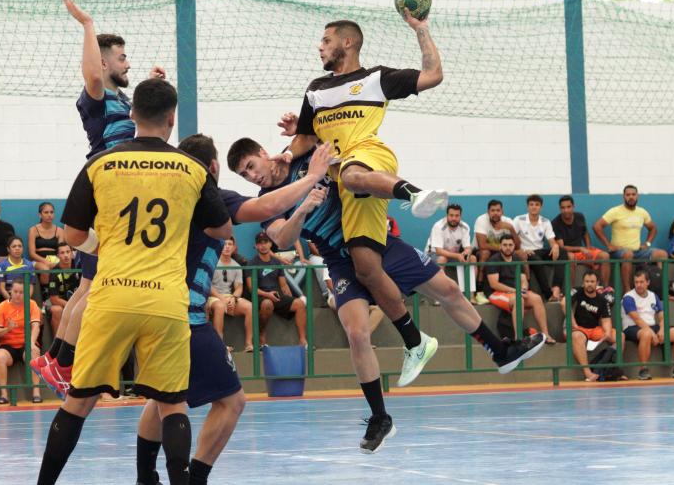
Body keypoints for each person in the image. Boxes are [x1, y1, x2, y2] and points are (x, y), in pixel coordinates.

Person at [228, 137, 545, 454]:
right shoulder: (269, 200)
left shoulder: (305, 157)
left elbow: (332, 136)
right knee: (356, 332)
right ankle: (380, 417)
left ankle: (498, 350)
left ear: (261, 153)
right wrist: (304, 209)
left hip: (375, 239)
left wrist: (302, 132)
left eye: (251, 167)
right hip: (340, 261)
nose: (252, 176)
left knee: (449, 290)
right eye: (244, 175)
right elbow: (282, 237)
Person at [36, 78, 232, 485]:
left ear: (132, 115)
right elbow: (222, 228)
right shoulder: (192, 169)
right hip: (166, 302)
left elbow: (72, 235)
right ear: (172, 119)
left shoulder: (101, 163)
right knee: (172, 405)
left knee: (77, 403)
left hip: (111, 299)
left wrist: (105, 245)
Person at [136, 133, 329, 485]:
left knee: (163, 395)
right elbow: (267, 208)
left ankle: (145, 476)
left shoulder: (165, 192)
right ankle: (195, 478)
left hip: (149, 310)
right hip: (186, 316)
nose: (250, 176)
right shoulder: (208, 195)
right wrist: (311, 176)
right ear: (212, 168)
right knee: (232, 401)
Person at [273, 13, 448, 371]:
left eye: (326, 40)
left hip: (368, 157)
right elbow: (306, 137)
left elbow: (433, 76)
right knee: (366, 267)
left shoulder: (375, 79)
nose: (320, 46)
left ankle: (415, 195)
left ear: (347, 43)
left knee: (353, 174)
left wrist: (421, 30)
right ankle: (415, 342)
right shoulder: (316, 89)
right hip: (342, 180)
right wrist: (288, 152)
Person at [32, 0, 167, 392]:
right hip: (106, 192)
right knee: (98, 287)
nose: (128, 63)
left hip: (120, 193)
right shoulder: (96, 96)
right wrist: (88, 25)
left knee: (88, 287)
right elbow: (92, 74)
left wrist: (152, 86)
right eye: (122, 58)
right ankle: (66, 363)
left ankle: (55, 359)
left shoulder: (124, 100)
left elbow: (148, 123)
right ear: (105, 62)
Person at [593, 185, 668, 291]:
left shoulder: (642, 212)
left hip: (638, 251)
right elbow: (597, 226)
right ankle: (627, 291)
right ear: (623, 196)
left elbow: (653, 228)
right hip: (619, 252)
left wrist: (647, 244)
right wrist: (608, 245)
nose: (631, 197)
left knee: (662, 254)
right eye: (628, 195)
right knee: (628, 254)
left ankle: (662, 288)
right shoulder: (615, 211)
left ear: (637, 196)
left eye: (633, 194)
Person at [622, 269, 674, 380]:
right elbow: (637, 319)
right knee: (646, 334)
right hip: (632, 328)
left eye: (641, 282)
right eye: (636, 282)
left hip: (652, 327)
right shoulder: (628, 297)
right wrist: (651, 333)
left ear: (648, 282)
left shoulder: (653, 295)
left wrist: (662, 329)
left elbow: (662, 316)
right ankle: (643, 370)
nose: (638, 285)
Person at [485, 237, 555, 343]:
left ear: (514, 246)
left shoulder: (516, 258)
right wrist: (515, 291)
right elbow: (494, 284)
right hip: (497, 293)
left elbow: (523, 279)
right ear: (500, 246)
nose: (507, 248)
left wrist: (523, 289)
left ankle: (546, 334)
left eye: (510, 245)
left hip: (514, 292)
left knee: (536, 298)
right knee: (519, 300)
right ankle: (519, 338)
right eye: (505, 245)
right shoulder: (494, 260)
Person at [246, 232, 306, 347]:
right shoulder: (252, 263)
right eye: (260, 243)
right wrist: (267, 295)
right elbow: (251, 288)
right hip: (261, 296)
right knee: (267, 304)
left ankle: (303, 341)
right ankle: (261, 335)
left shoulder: (277, 262)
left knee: (299, 304)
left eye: (266, 242)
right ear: (256, 246)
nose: (263, 245)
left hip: (276, 295)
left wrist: (289, 297)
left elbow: (283, 285)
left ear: (270, 244)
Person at [0, 280, 42, 404]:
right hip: (8, 345)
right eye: (15, 292)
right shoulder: (2, 307)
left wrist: (31, 344)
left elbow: (36, 326)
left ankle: (36, 392)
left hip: (27, 343)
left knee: (34, 353)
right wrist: (7, 329)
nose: (18, 295)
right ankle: (4, 394)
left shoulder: (32, 304)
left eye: (21, 292)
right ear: (10, 291)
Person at [512, 194, 567, 301]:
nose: (534, 207)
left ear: (541, 207)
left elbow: (551, 240)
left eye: (537, 205)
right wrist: (522, 251)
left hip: (540, 251)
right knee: (536, 260)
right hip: (526, 252)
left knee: (563, 252)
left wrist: (555, 246)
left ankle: (556, 287)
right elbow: (512, 240)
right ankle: (548, 294)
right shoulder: (519, 220)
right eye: (531, 204)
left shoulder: (545, 222)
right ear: (527, 207)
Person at [552, 195, 611, 289]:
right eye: (563, 208)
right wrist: (580, 248)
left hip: (582, 251)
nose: (566, 210)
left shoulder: (580, 216)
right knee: (570, 257)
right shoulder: (555, 223)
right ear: (560, 209)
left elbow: (585, 233)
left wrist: (588, 248)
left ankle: (604, 289)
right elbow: (561, 247)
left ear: (573, 207)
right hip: (569, 253)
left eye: (568, 207)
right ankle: (571, 290)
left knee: (605, 256)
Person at [427, 203, 479, 302]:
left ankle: (470, 295)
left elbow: (468, 247)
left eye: (457, 216)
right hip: (433, 255)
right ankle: (439, 296)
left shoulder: (465, 227)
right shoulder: (438, 226)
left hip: (453, 255)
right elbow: (439, 251)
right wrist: (458, 255)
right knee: (442, 259)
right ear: (447, 215)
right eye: (451, 215)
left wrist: (466, 253)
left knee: (472, 259)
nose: (454, 218)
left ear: (460, 216)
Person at [570, 271, 616, 382]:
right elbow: (564, 304)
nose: (589, 284)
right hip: (578, 328)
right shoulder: (577, 291)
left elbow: (606, 320)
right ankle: (587, 372)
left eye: (592, 281)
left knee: (620, 337)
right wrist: (573, 322)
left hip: (594, 329)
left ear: (597, 283)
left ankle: (603, 368)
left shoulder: (601, 300)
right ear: (583, 283)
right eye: (587, 281)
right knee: (576, 336)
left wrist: (608, 333)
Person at [210, 236, 253, 353]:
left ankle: (249, 344)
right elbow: (207, 285)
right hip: (212, 297)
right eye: (224, 244)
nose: (227, 247)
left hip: (229, 297)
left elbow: (239, 287)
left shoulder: (237, 265)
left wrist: (233, 298)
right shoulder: (212, 262)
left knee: (250, 307)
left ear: (234, 247)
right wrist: (221, 299)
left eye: (230, 244)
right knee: (219, 306)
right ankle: (220, 345)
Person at [45, 243, 79, 335]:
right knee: (57, 310)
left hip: (75, 300)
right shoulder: (54, 273)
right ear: (58, 256)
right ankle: (57, 344)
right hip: (58, 301)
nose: (66, 255)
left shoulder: (79, 267)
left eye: (68, 252)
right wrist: (71, 306)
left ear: (72, 253)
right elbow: (54, 299)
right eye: (62, 253)